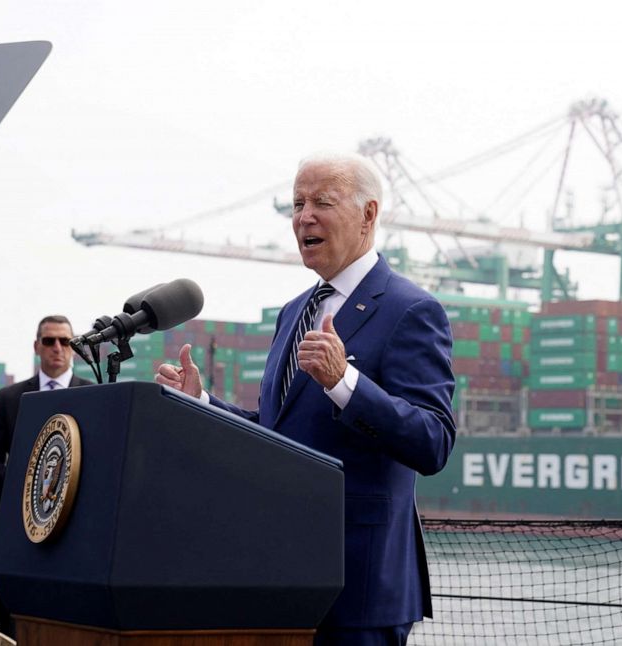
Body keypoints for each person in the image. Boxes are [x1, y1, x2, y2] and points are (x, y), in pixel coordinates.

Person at [156, 152, 456, 645]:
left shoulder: (412, 310)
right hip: (280, 579)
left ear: (368, 215)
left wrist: (345, 383)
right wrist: (203, 402)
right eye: (297, 204)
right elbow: (279, 434)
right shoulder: (294, 312)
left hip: (358, 588)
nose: (304, 217)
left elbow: (434, 441)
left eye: (322, 202)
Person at [0, 314, 91, 636]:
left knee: (68, 615)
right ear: (37, 346)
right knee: (12, 617)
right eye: (50, 341)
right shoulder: (10, 398)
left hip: (73, 532)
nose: (57, 348)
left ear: (73, 348)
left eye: (65, 342)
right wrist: (29, 493)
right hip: (13, 529)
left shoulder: (94, 394)